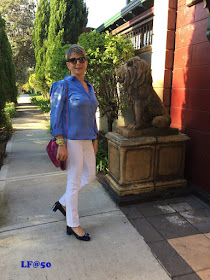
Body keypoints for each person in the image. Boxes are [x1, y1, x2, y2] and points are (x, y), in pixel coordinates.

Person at [50, 44, 98, 241]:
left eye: (81, 59)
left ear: (85, 62)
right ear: (68, 64)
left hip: (87, 139)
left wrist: (95, 137)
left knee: (91, 175)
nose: (78, 63)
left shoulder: (90, 86)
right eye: (73, 60)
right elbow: (55, 116)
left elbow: (91, 115)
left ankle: (62, 203)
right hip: (71, 140)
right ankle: (73, 224)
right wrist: (60, 142)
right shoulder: (63, 85)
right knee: (74, 182)